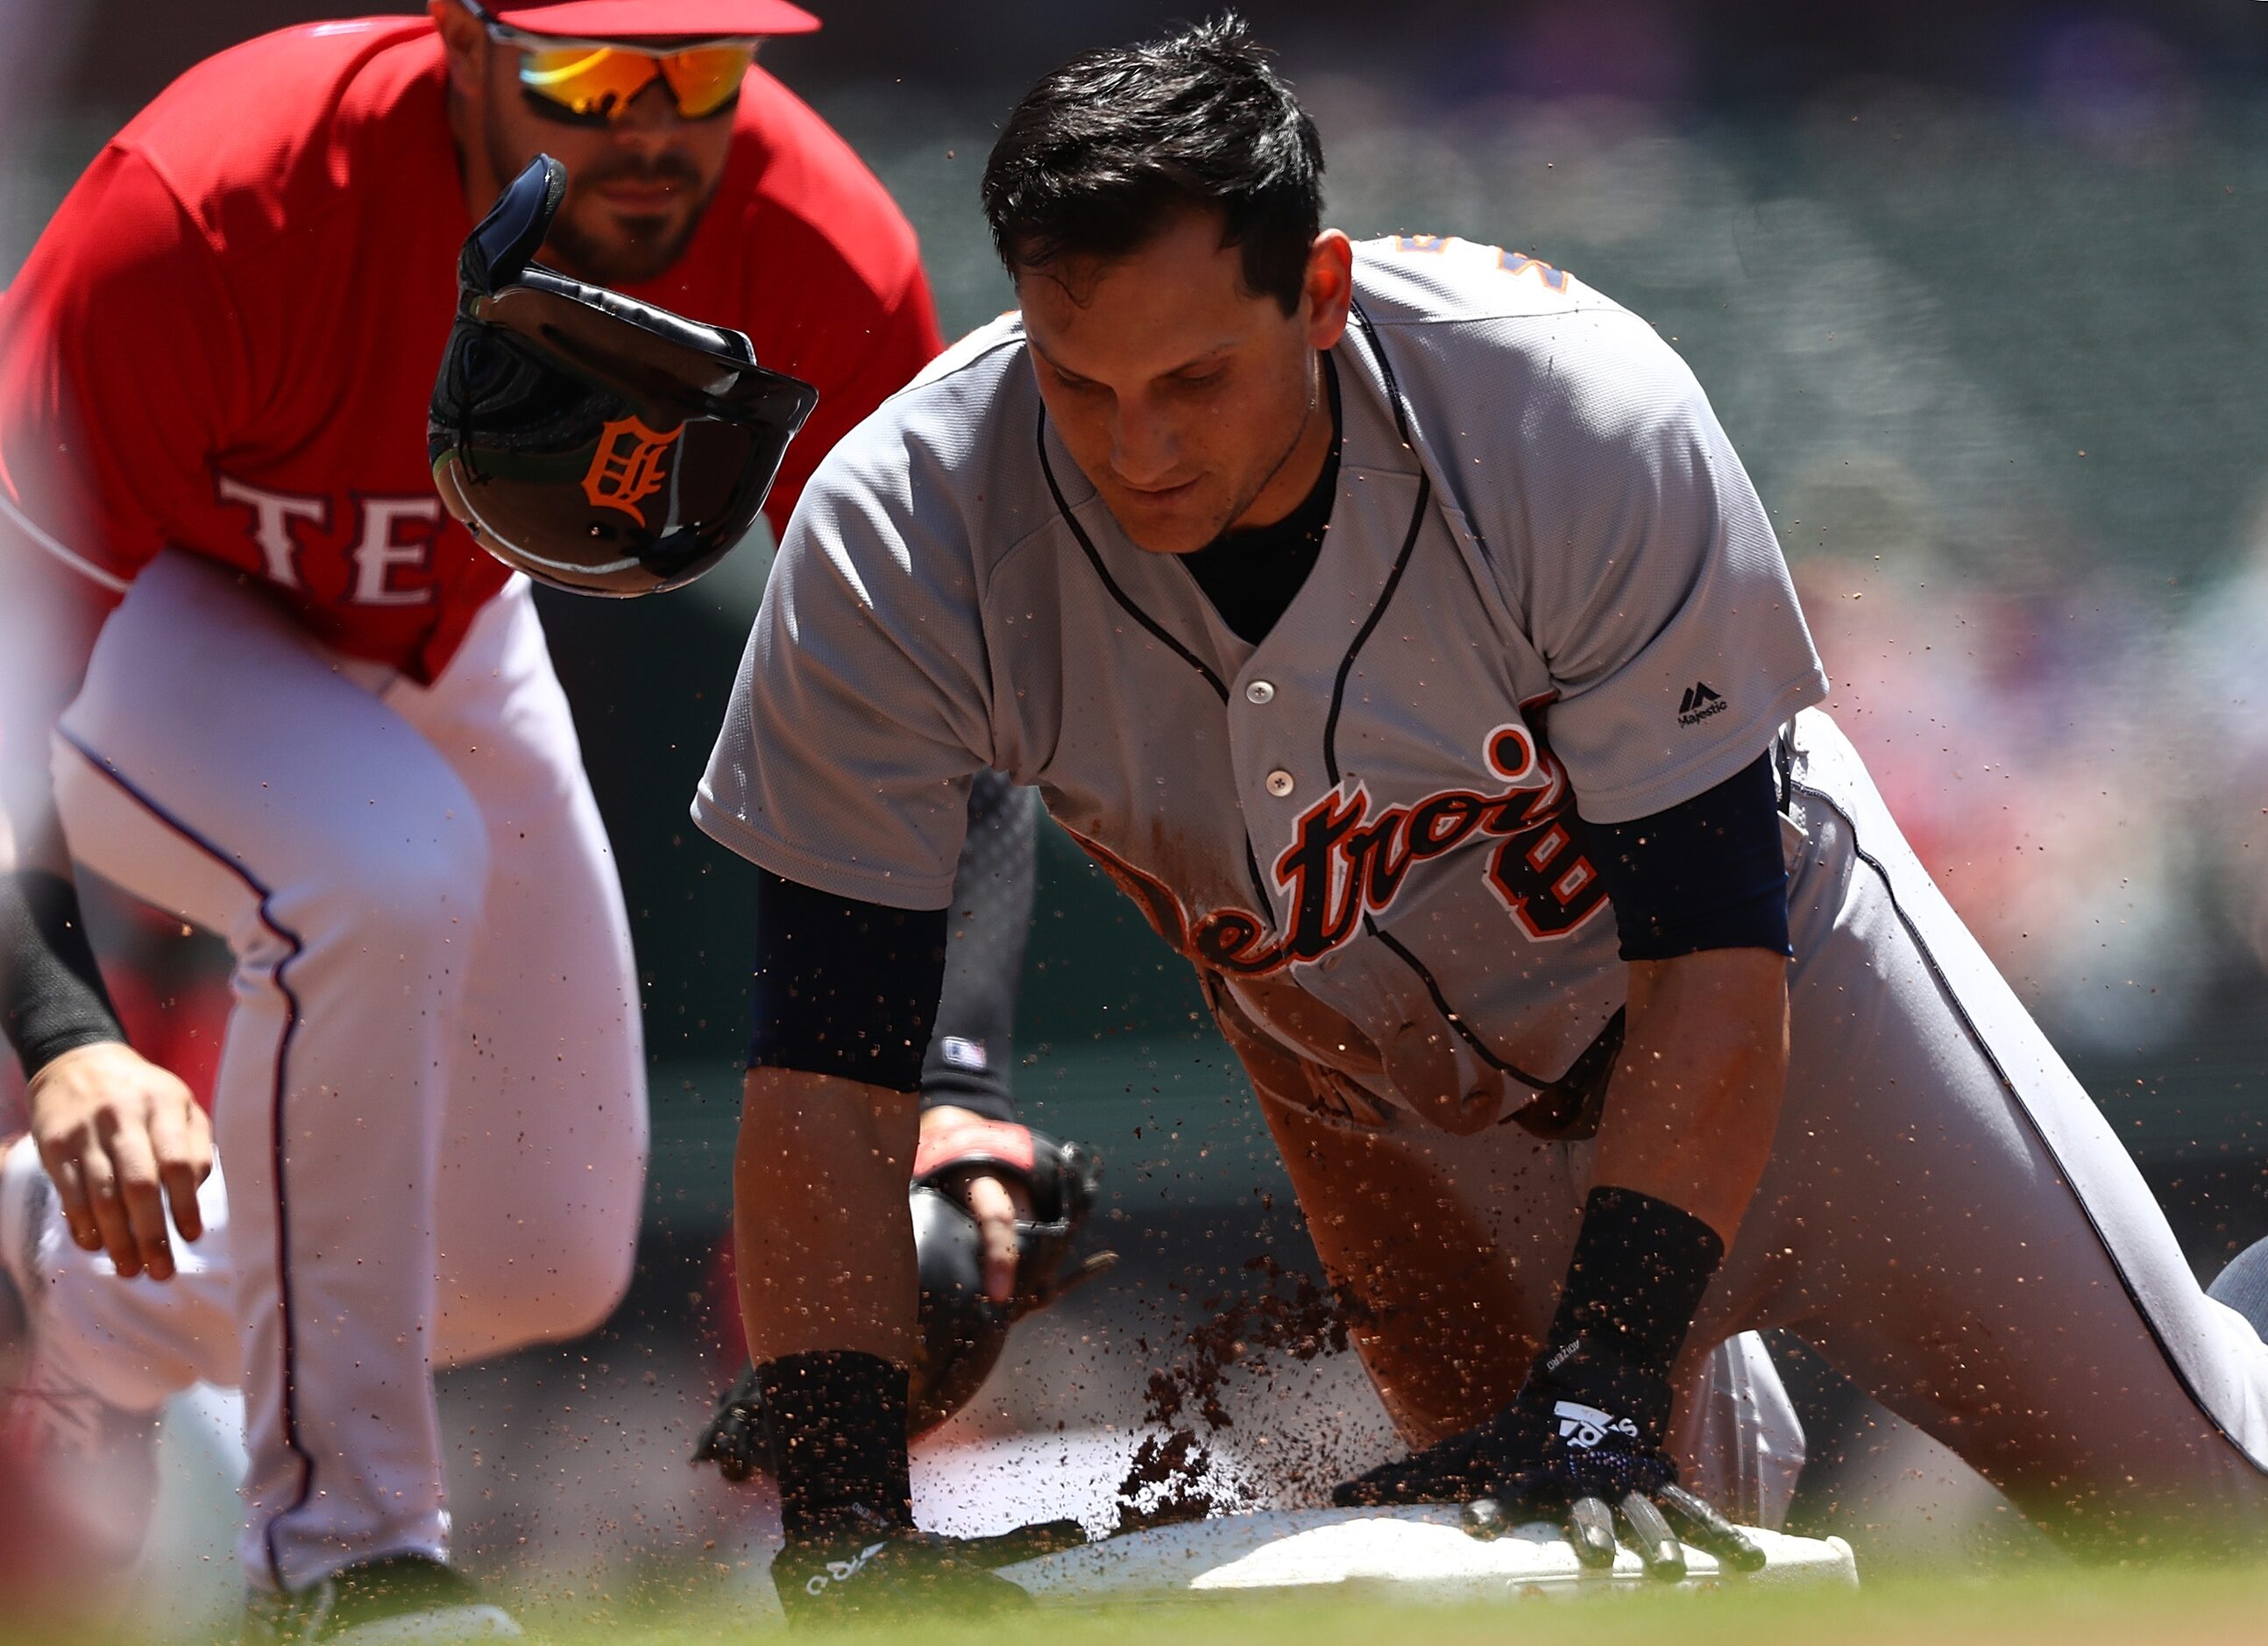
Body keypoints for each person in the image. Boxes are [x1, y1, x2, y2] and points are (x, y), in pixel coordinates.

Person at [654, 14, 2268, 1620]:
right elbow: (824, 1075)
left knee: (2206, 1518)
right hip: (1402, 1125)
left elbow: (1713, 950)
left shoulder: (1558, 402)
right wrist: (847, 1511)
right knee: (1605, 1611)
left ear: (1324, 297)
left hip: (1811, 1029)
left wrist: (1608, 1375)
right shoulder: (901, 534)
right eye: (1083, 381)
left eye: (1198, 377)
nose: (1139, 446)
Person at [0, 1, 1038, 1635]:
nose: (651, 121)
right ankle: (342, 1559)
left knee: (541, 1258)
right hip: (135, 629)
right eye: (591, 71)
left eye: (697, 72)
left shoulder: (812, 238)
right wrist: (66, 1031)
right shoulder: (214, 203)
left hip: (441, 629)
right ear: (461, 40)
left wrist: (960, 1084)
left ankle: (67, 1287)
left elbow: (954, 700)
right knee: (379, 864)